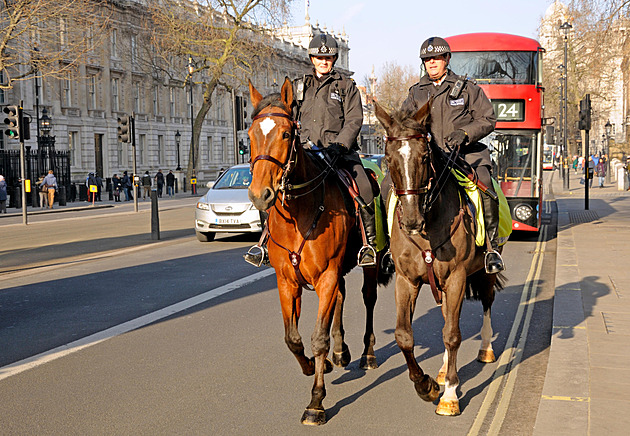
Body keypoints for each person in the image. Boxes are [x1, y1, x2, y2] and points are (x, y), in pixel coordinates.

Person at [244, 33, 377, 267]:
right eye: (318, 56)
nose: (323, 61)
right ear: (312, 58)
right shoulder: (298, 86)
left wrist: (341, 145)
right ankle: (265, 243)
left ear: (334, 59)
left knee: (364, 188)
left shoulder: (346, 86)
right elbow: (286, 115)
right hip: (307, 152)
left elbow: (355, 120)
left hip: (339, 153)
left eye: (328, 57)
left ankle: (368, 245)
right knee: (272, 192)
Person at [385, 36, 503, 274]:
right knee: (387, 186)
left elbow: (488, 119)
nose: (432, 63)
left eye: (436, 58)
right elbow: (403, 124)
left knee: (485, 187)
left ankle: (491, 248)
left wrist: (465, 133)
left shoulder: (467, 89)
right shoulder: (416, 93)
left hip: (463, 155)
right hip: (426, 159)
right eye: (427, 59)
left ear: (447, 59)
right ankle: (389, 248)